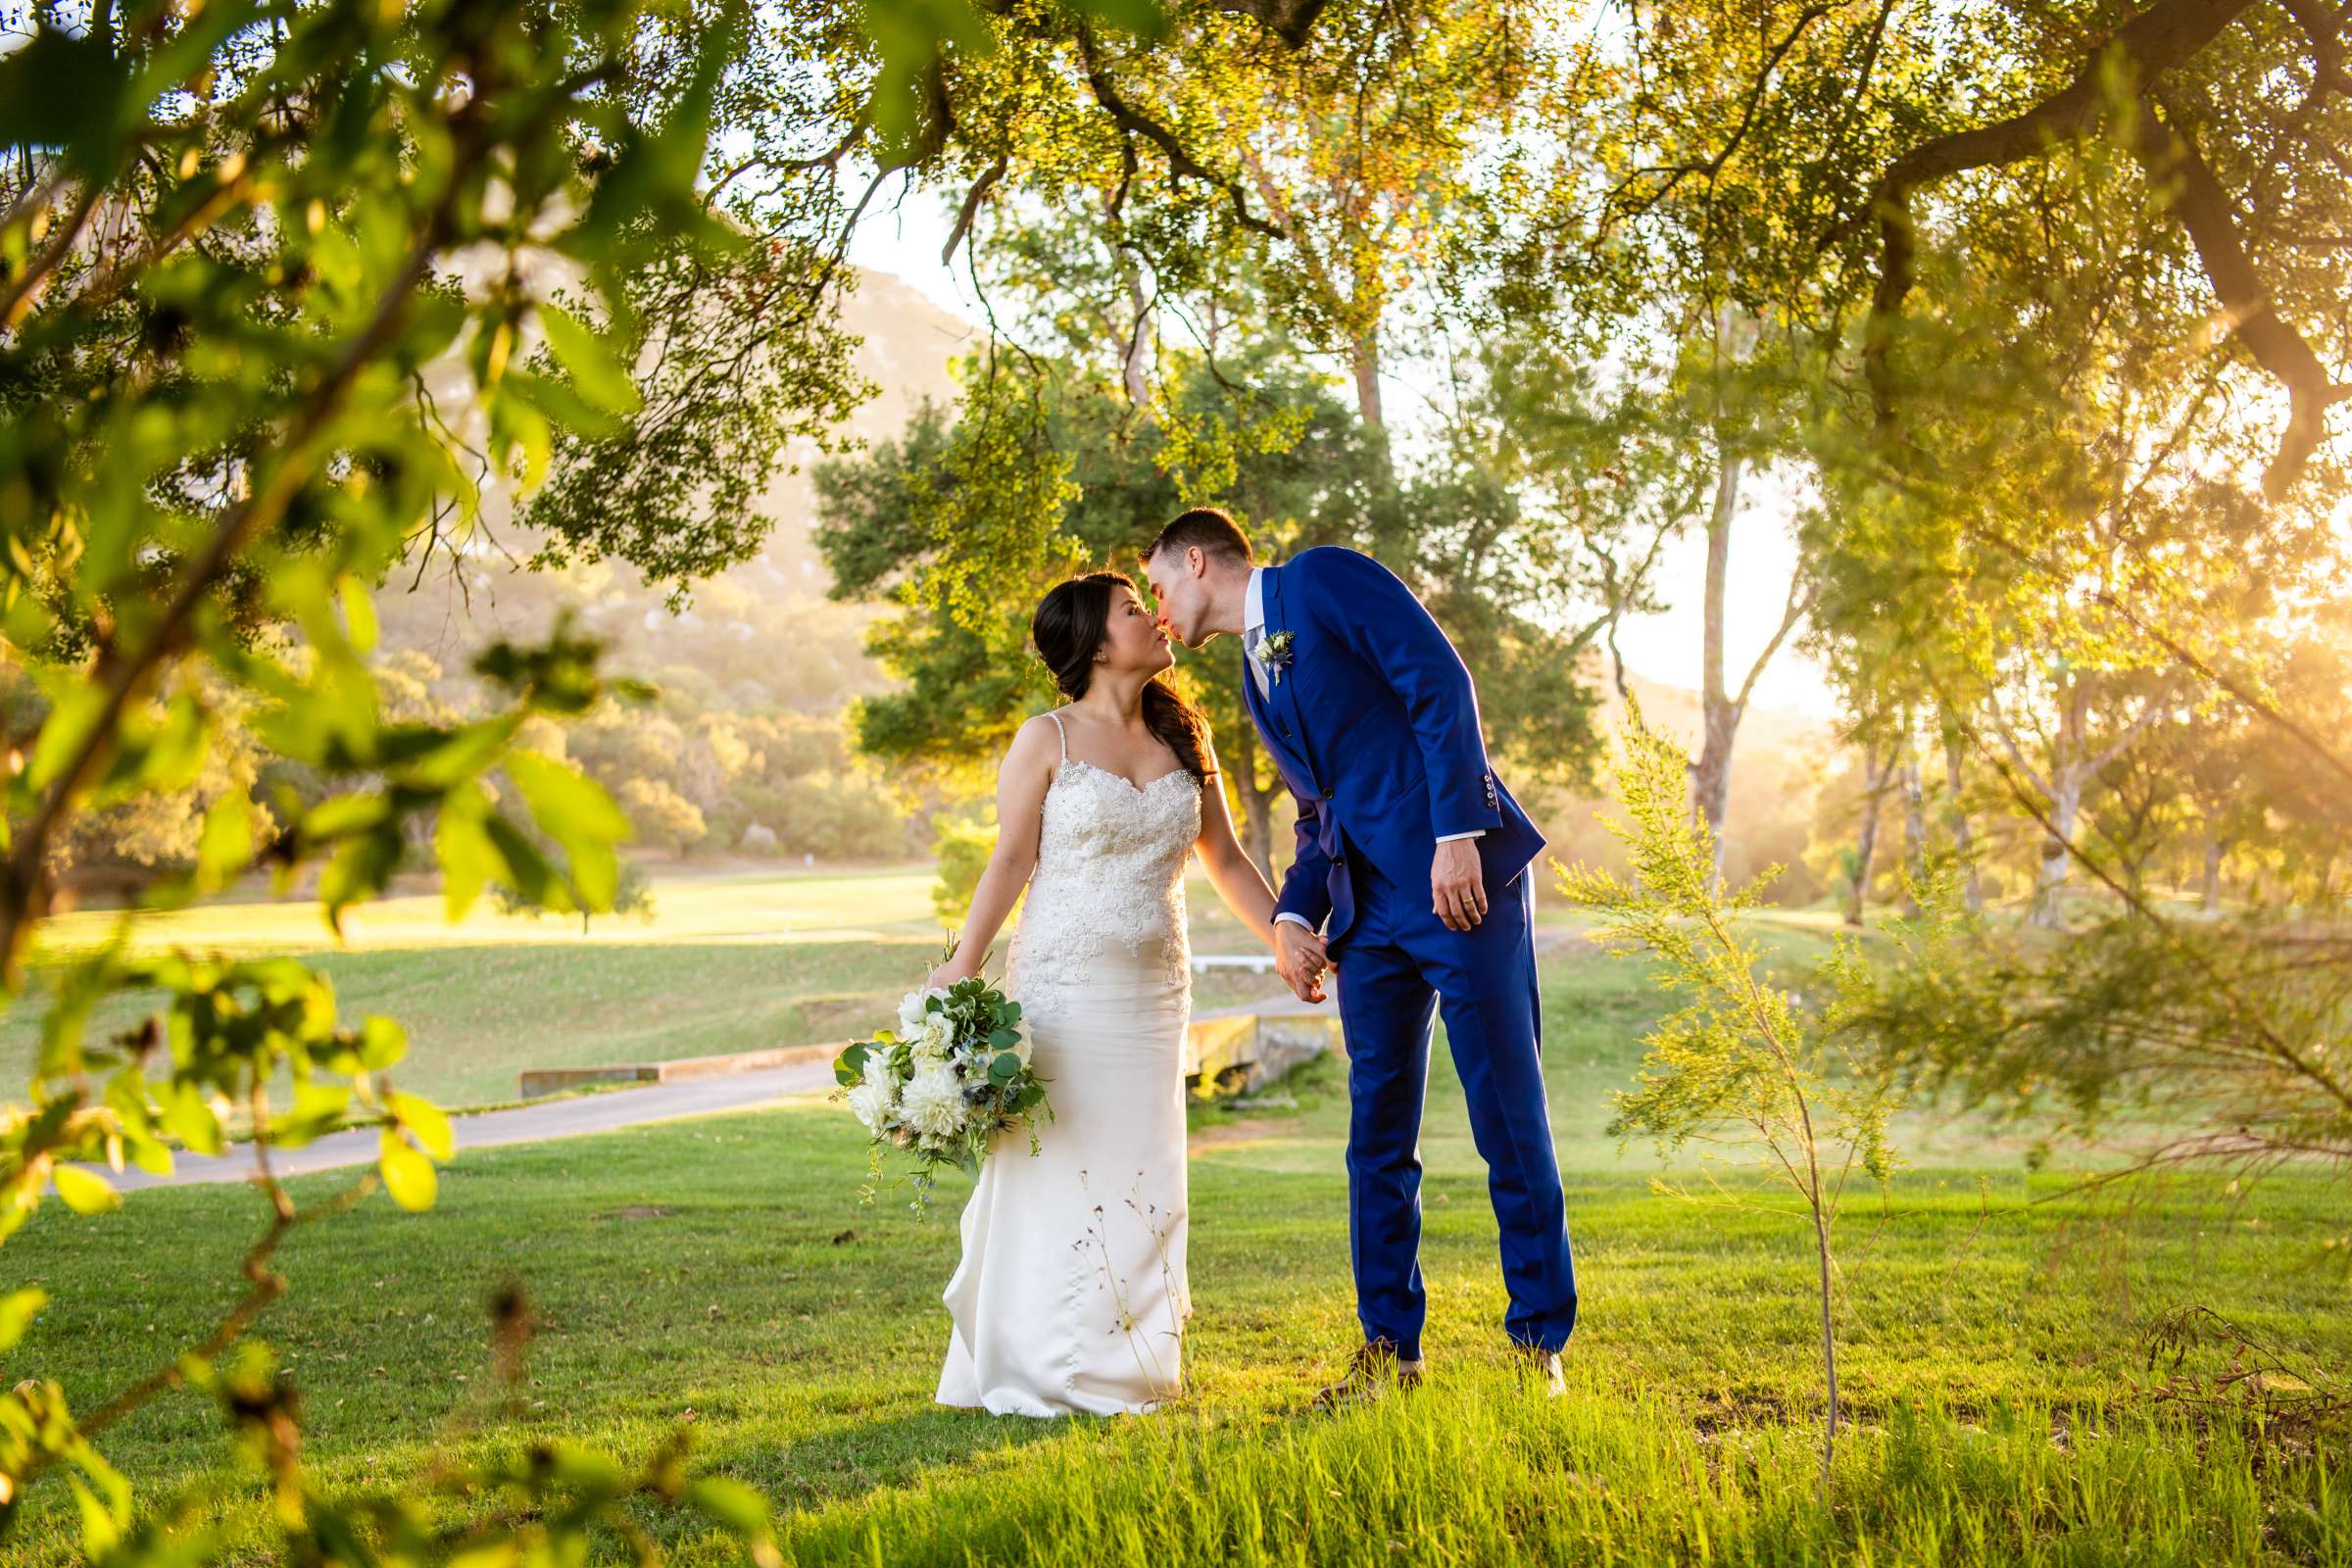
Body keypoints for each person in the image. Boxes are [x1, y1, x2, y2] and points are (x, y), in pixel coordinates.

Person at [1140, 508, 1577, 1407]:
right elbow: (1319, 815)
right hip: (1367, 920)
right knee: (1375, 1134)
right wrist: (1295, 917)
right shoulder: (1258, 685)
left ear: (1196, 562)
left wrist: (1459, 831)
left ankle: (1540, 1346)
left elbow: (1440, 683)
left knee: (1506, 1112)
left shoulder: (1323, 578)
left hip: (1460, 889)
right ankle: (1391, 1348)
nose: (1155, 608)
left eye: (1155, 585)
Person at [925, 570, 1314, 1417]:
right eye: (1134, 611)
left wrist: (1283, 932)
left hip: (1154, 994)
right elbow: (1010, 862)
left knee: (1144, 1172)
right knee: (1056, 1168)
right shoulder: (1047, 739)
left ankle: (1133, 1362)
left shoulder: (1185, 735)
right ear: (1098, 645)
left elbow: (1228, 863)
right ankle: (1037, 1364)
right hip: (1063, 992)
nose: (1156, 614)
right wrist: (964, 966)